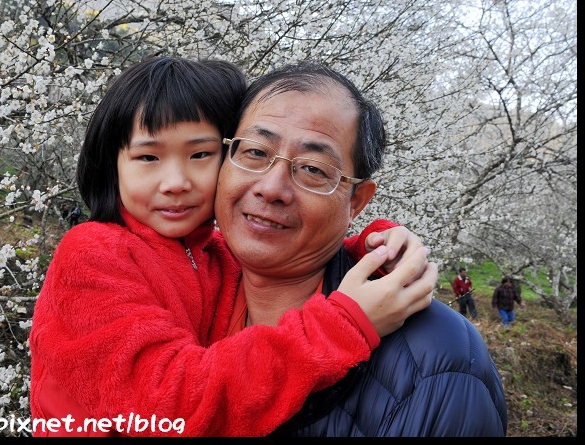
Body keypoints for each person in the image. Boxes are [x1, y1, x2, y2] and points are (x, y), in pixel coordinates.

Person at [29, 56, 437, 437]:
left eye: (201, 154)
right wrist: (343, 323)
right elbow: (170, 407)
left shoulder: (213, 254)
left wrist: (376, 250)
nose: (175, 181)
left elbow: (296, 251)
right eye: (148, 158)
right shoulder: (92, 254)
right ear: (111, 165)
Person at [214, 61, 507, 436]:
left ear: (356, 202)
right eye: (254, 152)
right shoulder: (172, 294)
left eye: (313, 169)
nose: (270, 188)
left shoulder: (438, 359)